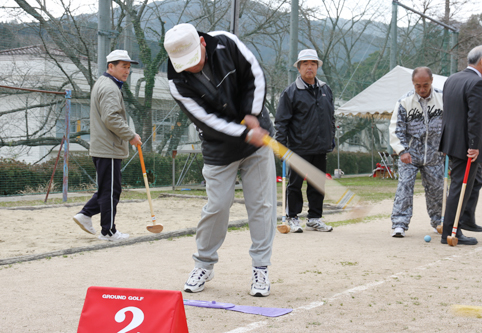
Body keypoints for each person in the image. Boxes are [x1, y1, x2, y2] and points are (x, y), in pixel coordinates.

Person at [163, 23, 277, 297]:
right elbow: (208, 121)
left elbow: (255, 76)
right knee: (217, 206)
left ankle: (261, 268)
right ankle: (204, 264)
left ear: (202, 43)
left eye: (195, 60)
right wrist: (243, 131)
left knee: (261, 205)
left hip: (257, 141)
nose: (191, 68)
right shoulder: (176, 81)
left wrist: (252, 113)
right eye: (184, 65)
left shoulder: (227, 43)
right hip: (219, 148)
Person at [73, 50, 142, 241]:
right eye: (123, 66)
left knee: (108, 189)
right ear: (110, 66)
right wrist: (131, 136)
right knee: (111, 191)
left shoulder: (105, 84)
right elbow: (111, 118)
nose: (127, 71)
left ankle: (86, 214)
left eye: (128, 67)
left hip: (105, 146)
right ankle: (108, 231)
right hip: (108, 148)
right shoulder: (110, 87)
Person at [275, 49, 335, 233]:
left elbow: (330, 117)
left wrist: (330, 139)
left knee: (318, 184)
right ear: (299, 67)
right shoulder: (290, 92)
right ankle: (292, 217)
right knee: (295, 185)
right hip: (298, 147)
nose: (310, 67)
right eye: (305, 64)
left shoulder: (326, 89)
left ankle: (314, 218)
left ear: (317, 67)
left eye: (313, 63)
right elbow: (281, 121)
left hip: (320, 146)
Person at [439, 45, 482, 245]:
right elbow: (475, 117)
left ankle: (466, 219)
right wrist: (474, 145)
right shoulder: (477, 83)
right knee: (459, 186)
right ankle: (451, 231)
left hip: (452, 141)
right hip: (466, 145)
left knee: (474, 182)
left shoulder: (452, 79)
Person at [389, 67, 444, 237]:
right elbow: (395, 129)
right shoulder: (404, 102)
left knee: (438, 189)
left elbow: (451, 125)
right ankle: (399, 223)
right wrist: (402, 150)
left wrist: (447, 147)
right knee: (404, 187)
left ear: (432, 81)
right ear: (413, 84)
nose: (421, 89)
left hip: (435, 154)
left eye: (425, 85)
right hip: (410, 154)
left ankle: (439, 222)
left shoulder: (444, 99)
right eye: (417, 85)